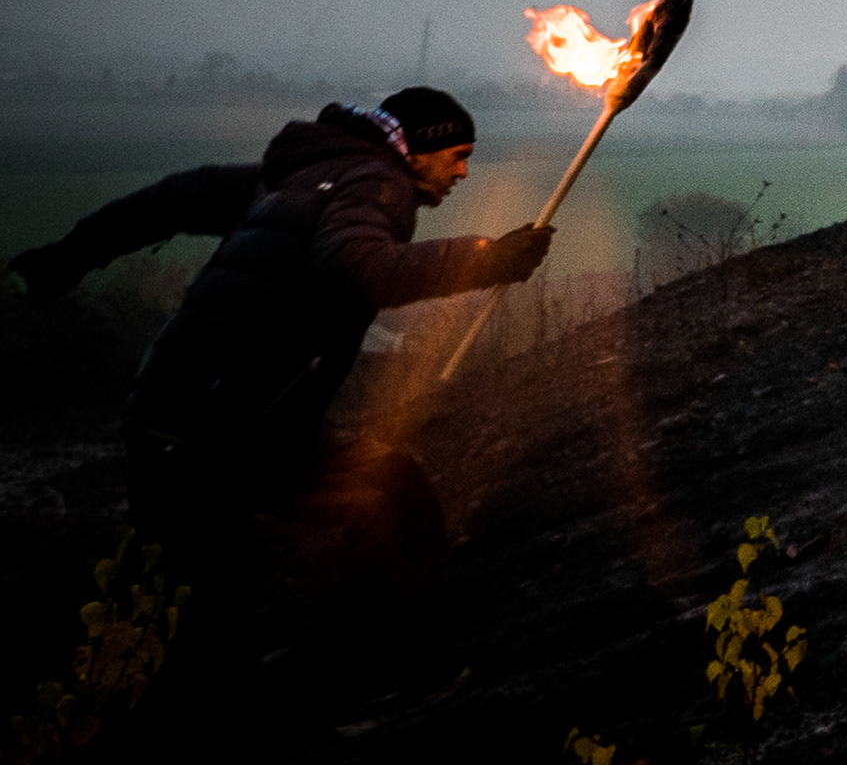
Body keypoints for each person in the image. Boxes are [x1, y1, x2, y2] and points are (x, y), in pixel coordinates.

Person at [11, 86, 553, 610]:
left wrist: (68, 255)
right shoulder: (377, 183)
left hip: (193, 407)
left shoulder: (306, 174)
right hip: (225, 424)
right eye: (457, 156)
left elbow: (171, 200)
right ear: (420, 149)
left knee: (389, 493)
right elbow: (358, 269)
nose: (462, 172)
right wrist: (490, 259)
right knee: (207, 586)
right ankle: (383, 647)